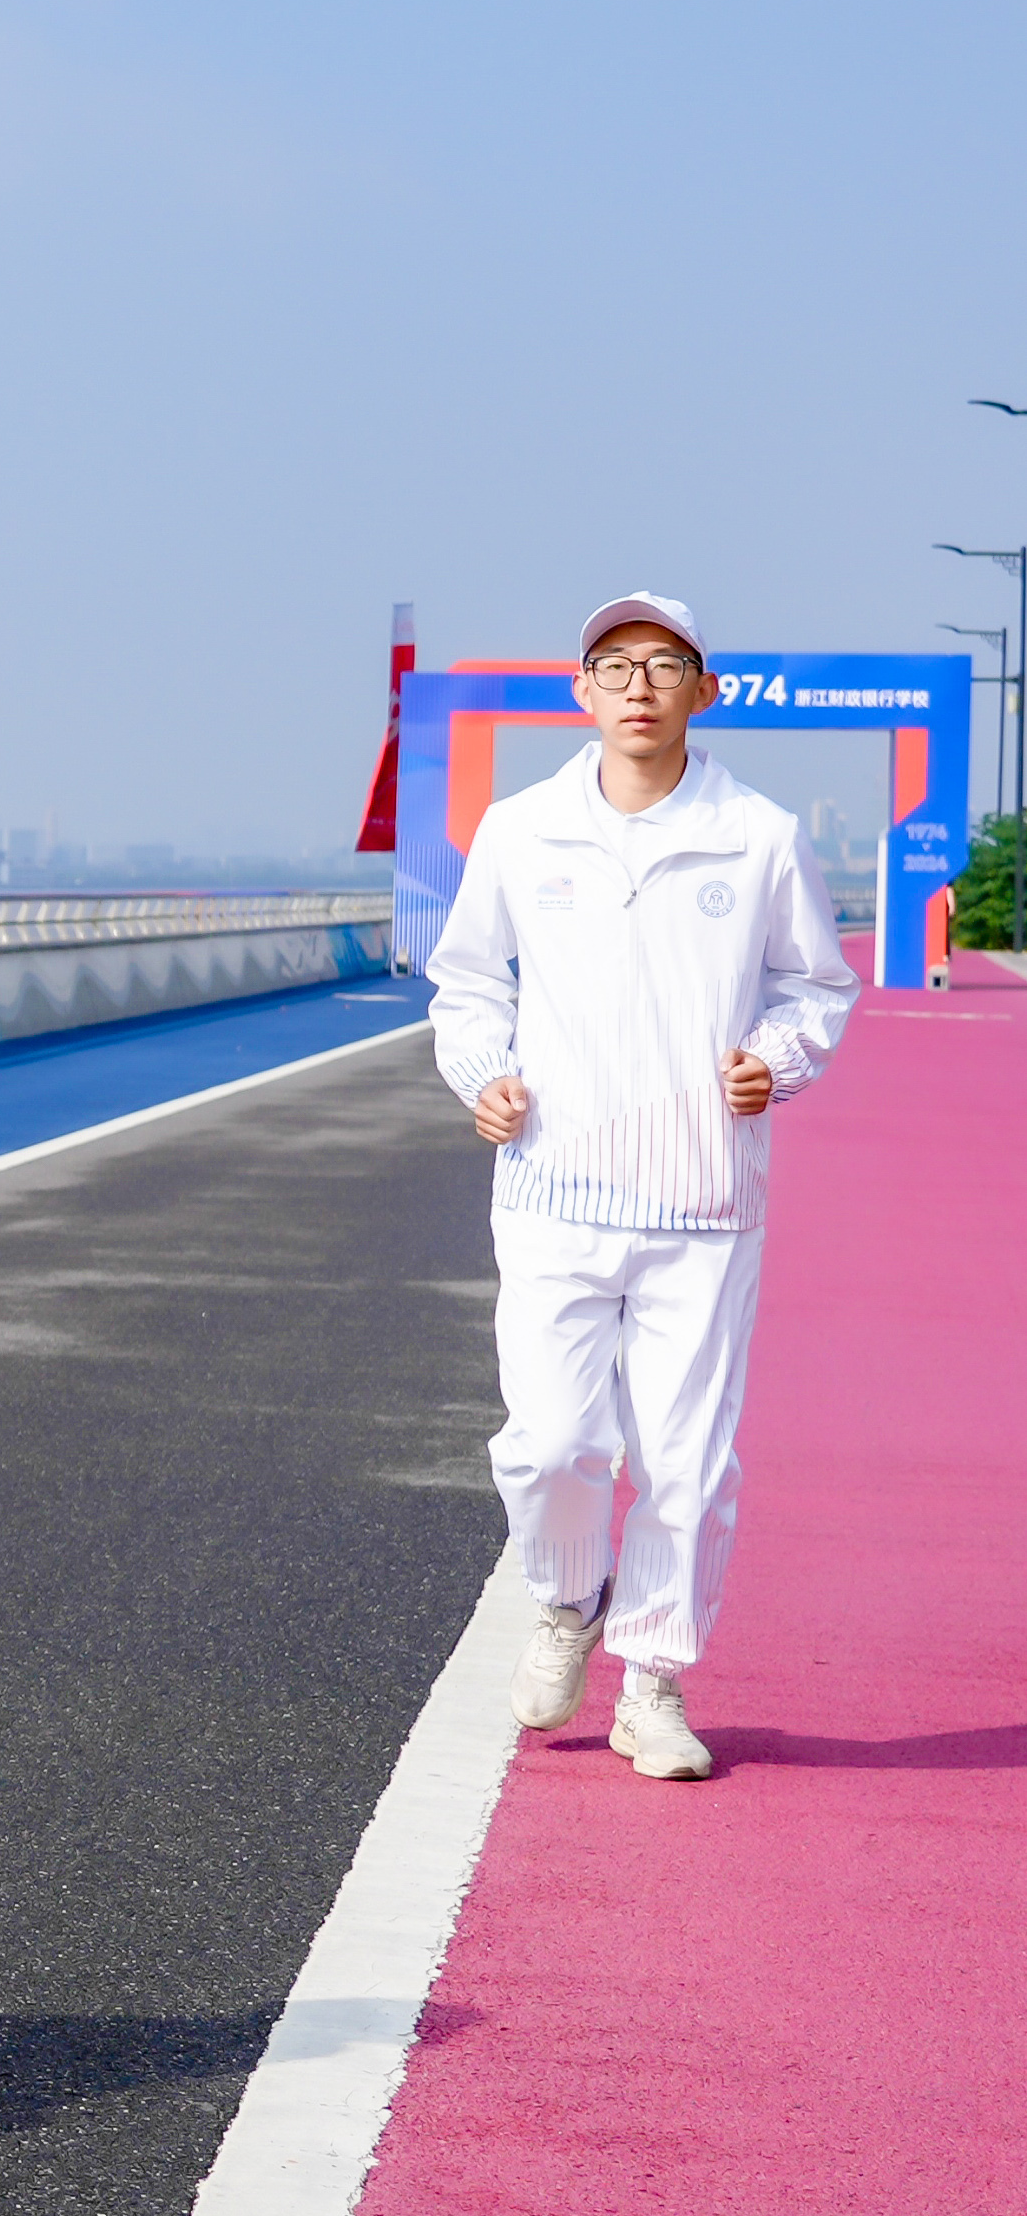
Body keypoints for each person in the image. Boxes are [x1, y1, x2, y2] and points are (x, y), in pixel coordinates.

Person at [427, 591, 855, 1780]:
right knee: (548, 1445)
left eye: (662, 666)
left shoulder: (756, 835)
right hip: (552, 1186)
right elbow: (466, 981)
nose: (635, 686)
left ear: (701, 692)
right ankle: (568, 1599)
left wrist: (774, 1060)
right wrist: (482, 1074)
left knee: (684, 1463)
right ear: (580, 690)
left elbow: (813, 986)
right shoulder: (521, 829)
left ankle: (652, 1684)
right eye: (612, 665)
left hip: (699, 1200)